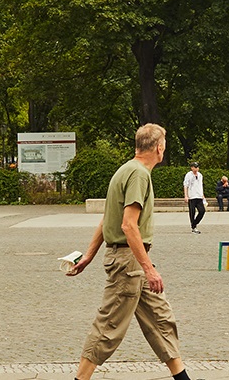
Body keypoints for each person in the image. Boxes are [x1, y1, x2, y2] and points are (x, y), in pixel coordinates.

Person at [66, 123, 201, 380]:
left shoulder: (125, 170)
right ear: (159, 148)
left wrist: (88, 256)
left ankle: (182, 378)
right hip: (130, 262)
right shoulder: (138, 174)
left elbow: (107, 219)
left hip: (133, 259)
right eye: (165, 145)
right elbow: (128, 225)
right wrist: (149, 268)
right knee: (109, 326)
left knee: (161, 319)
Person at [183, 162, 205, 234]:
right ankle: (193, 227)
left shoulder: (200, 175)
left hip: (199, 196)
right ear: (191, 168)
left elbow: (200, 185)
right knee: (192, 212)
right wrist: (186, 196)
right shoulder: (188, 175)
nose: (196, 169)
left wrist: (202, 195)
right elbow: (186, 185)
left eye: (197, 167)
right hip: (191, 196)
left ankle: (194, 223)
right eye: (195, 167)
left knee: (202, 211)